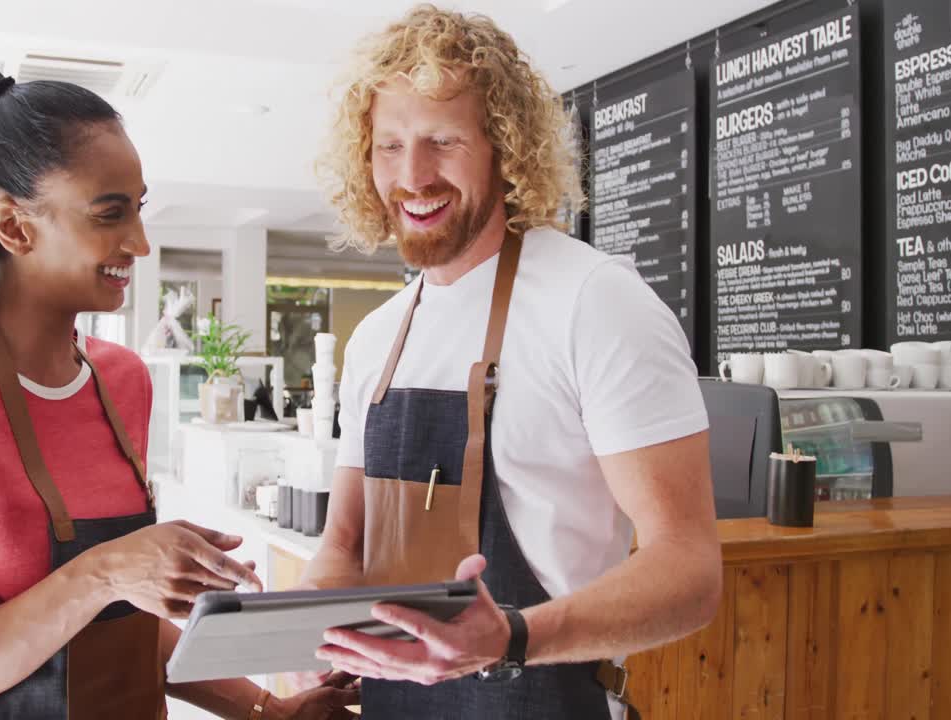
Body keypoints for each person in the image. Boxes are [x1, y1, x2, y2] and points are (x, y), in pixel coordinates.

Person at [0, 64, 358, 720]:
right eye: (109, 214)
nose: (140, 242)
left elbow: (127, 627)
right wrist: (107, 571)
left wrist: (269, 710)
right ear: (13, 227)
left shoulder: (123, 380)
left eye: (138, 209)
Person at [298, 6, 722, 719]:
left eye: (442, 140)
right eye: (389, 144)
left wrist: (511, 638)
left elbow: (689, 569)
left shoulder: (595, 302)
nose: (413, 175)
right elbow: (343, 549)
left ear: (504, 145)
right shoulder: (377, 337)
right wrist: (287, 639)